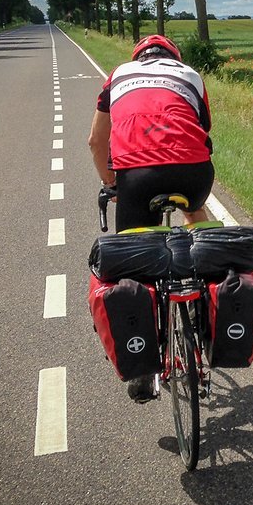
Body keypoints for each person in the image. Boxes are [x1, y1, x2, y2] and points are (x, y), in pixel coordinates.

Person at [88, 33, 215, 402]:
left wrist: (111, 181)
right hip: (192, 171)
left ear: (137, 56)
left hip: (138, 176)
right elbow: (202, 130)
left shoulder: (118, 76)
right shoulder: (189, 74)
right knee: (196, 216)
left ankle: (143, 369)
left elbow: (96, 141)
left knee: (132, 264)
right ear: (173, 56)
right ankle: (207, 309)